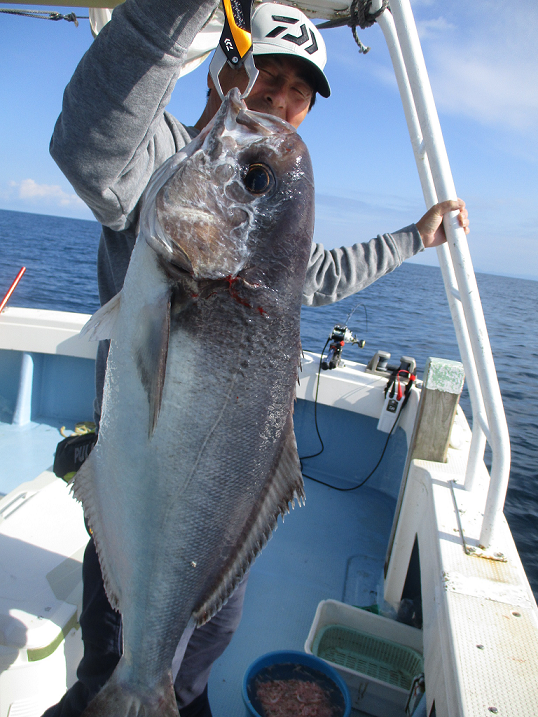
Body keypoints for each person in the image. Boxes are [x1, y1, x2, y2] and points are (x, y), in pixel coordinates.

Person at [43, 1, 469, 716]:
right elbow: (88, 143)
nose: (279, 97)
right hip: (146, 497)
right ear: (221, 70)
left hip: (227, 498)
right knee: (122, 660)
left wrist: (412, 239)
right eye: (265, 75)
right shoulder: (164, 165)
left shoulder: (255, 208)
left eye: (297, 91)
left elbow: (321, 272)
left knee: (209, 645)